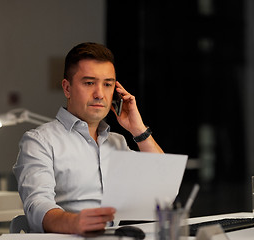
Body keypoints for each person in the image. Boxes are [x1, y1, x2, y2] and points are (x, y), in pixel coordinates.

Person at [13, 42, 163, 235]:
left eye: (108, 84)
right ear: (67, 88)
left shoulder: (117, 142)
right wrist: (75, 223)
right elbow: (37, 205)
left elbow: (162, 189)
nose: (100, 94)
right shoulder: (39, 141)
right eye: (89, 83)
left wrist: (138, 129)